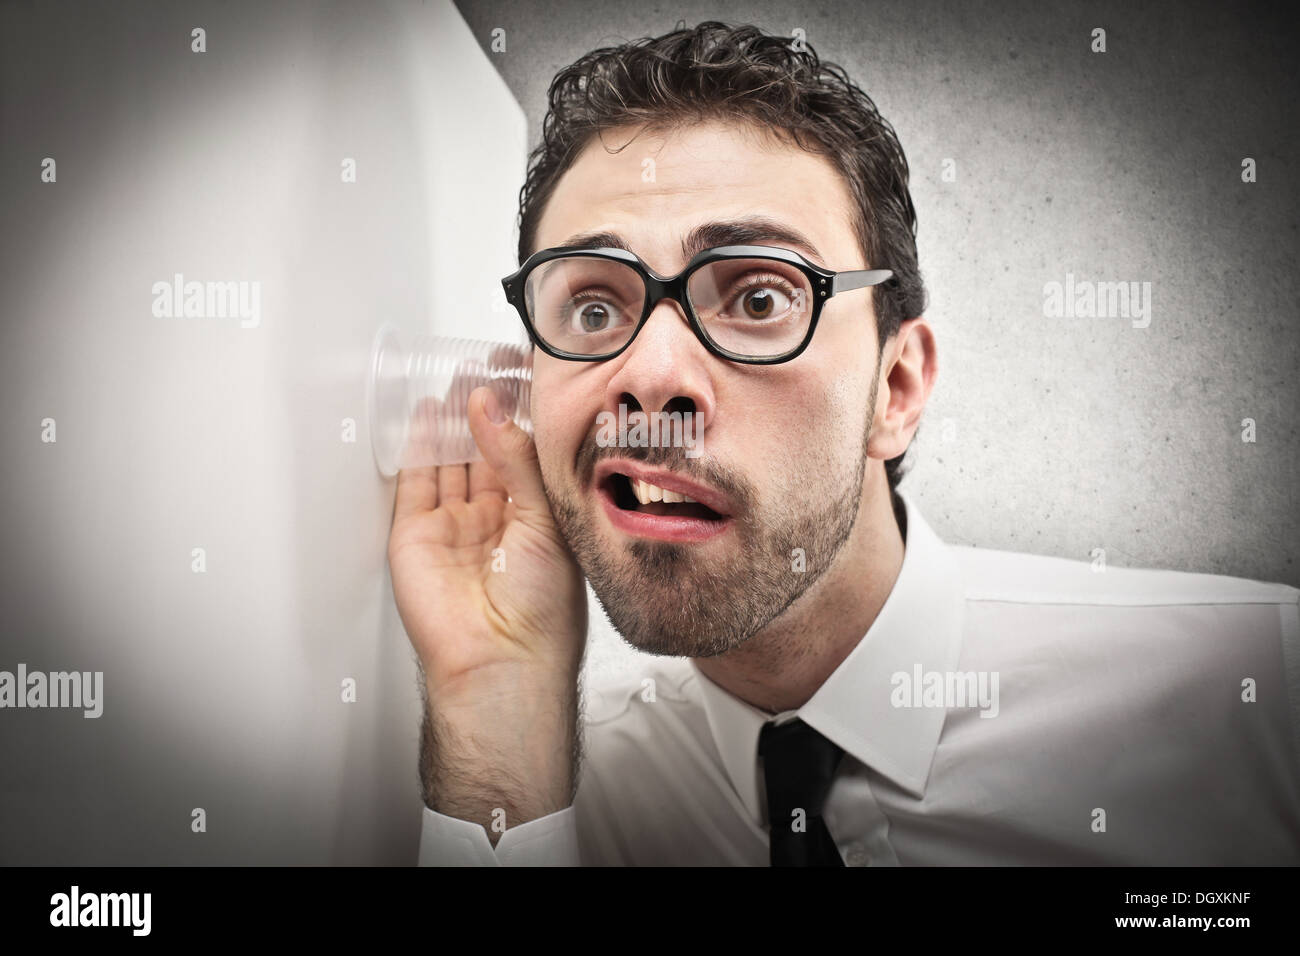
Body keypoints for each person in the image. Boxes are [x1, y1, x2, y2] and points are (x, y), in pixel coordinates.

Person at [387, 21, 1300, 865]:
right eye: (593, 306)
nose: (649, 373)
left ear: (895, 388)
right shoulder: (567, 805)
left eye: (757, 298)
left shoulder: (1256, 697)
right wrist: (496, 704)